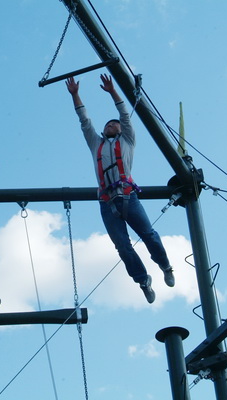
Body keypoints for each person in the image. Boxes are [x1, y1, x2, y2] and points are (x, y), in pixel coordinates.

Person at [65, 74, 175, 304]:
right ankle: (143, 280)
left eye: (114, 124)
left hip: (128, 197)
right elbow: (84, 121)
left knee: (148, 236)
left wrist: (113, 92)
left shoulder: (128, 141)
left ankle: (164, 264)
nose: (111, 125)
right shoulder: (97, 143)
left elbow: (125, 115)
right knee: (123, 247)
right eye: (108, 124)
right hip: (107, 203)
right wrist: (76, 94)